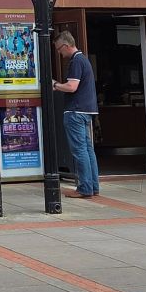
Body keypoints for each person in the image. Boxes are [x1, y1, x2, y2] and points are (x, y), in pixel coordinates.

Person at [52, 31, 99, 199]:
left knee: (80, 151)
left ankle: (84, 188)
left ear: (66, 45)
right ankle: (93, 186)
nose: (59, 53)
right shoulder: (84, 60)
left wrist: (55, 84)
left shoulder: (76, 62)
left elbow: (72, 87)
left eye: (59, 49)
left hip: (75, 111)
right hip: (86, 111)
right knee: (87, 149)